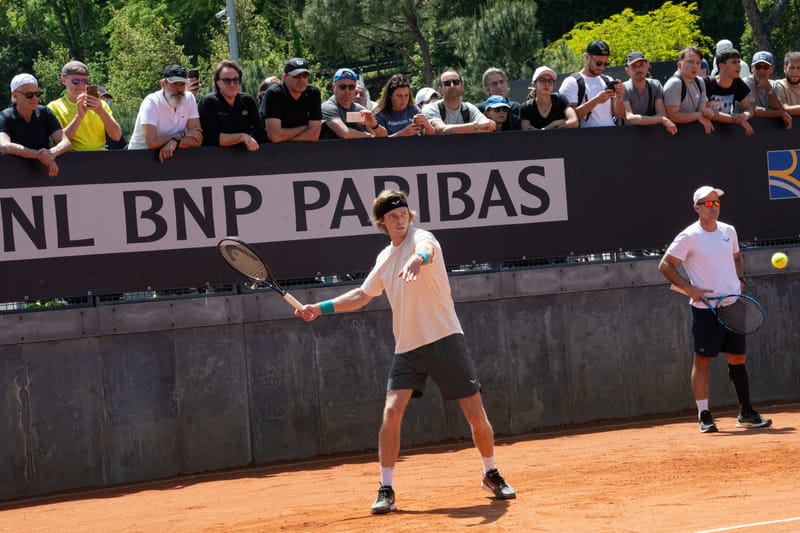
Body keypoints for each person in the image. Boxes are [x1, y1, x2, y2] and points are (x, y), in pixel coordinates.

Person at [295, 190, 516, 514]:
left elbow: (425, 250)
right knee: (391, 413)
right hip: (408, 348)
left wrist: (416, 259)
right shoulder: (384, 258)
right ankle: (386, 488)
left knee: (475, 414)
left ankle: (491, 473)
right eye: (392, 217)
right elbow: (361, 295)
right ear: (382, 223)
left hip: (445, 337)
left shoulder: (421, 238)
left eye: (403, 215)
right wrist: (320, 308)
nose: (400, 220)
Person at [658, 186, 772, 433]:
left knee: (738, 359)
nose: (714, 207)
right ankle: (705, 415)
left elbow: (737, 257)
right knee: (703, 360)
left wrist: (740, 279)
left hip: (733, 303)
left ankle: (746, 412)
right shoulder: (688, 236)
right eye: (707, 204)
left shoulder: (728, 231)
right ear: (696, 208)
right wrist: (688, 288)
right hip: (705, 309)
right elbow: (665, 264)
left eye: (716, 202)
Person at [127, 64, 203, 162]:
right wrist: (181, 135)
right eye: (174, 84)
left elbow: (197, 139)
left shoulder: (189, 99)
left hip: (172, 157)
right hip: (140, 159)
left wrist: (175, 141)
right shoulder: (152, 102)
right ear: (163, 84)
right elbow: (152, 143)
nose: (179, 89)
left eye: (182, 84)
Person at [0, 73, 71, 176]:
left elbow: (66, 143)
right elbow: (4, 146)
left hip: (44, 175)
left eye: (37, 94)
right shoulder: (4, 117)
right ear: (15, 95)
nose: (34, 98)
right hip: (12, 177)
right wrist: (39, 155)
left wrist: (52, 153)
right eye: (29, 95)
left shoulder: (45, 112)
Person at [47, 60, 122, 151]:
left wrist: (101, 111)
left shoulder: (100, 104)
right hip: (72, 159)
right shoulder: (54, 107)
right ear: (63, 80)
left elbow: (117, 136)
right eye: (75, 81)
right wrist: (79, 116)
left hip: (101, 158)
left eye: (85, 81)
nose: (81, 85)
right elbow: (59, 141)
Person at [198, 59, 268, 150]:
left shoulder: (247, 101)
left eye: (236, 80)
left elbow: (261, 134)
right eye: (227, 80)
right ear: (217, 83)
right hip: (215, 159)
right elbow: (210, 138)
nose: (232, 84)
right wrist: (242, 137)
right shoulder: (209, 102)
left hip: (247, 158)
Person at [559, 40, 624, 128]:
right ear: (587, 58)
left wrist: (619, 98)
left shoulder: (608, 80)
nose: (601, 67)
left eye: (605, 64)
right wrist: (595, 101)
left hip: (610, 135)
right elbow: (570, 118)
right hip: (587, 138)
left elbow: (619, 115)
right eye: (598, 63)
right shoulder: (571, 82)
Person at [259, 58, 322, 142]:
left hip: (302, 150)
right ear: (285, 77)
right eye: (296, 76)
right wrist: (305, 128)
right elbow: (275, 137)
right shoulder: (274, 94)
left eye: (305, 75)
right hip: (270, 151)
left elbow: (314, 136)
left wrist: (285, 139)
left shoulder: (313, 93)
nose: (302, 79)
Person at [422, 68, 496, 134]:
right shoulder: (431, 108)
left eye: (456, 82)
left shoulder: (469, 108)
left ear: (462, 86)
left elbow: (490, 126)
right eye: (447, 83)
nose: (452, 86)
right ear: (440, 90)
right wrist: (476, 126)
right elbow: (442, 129)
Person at [320, 68, 388, 140]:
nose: (347, 91)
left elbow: (383, 136)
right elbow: (345, 133)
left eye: (351, 87)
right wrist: (368, 136)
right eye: (342, 87)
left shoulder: (359, 110)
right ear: (334, 87)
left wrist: (374, 125)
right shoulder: (327, 107)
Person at [621, 51, 677, 134]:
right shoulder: (623, 88)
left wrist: (660, 118)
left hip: (652, 134)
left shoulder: (655, 84)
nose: (638, 69)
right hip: (628, 135)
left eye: (641, 65)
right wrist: (661, 120)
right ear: (627, 70)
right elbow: (630, 118)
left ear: (647, 66)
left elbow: (662, 113)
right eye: (634, 66)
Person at [664, 46, 715, 134]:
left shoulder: (700, 81)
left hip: (695, 136)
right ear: (679, 65)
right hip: (675, 136)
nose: (695, 66)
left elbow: (702, 111)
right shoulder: (674, 83)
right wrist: (698, 115)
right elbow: (672, 116)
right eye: (690, 62)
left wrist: (708, 113)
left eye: (698, 63)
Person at [705, 48, 755, 136]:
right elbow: (709, 113)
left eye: (739, 62)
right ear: (721, 66)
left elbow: (749, 108)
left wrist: (744, 116)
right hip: (705, 132)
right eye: (734, 62)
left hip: (726, 133)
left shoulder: (738, 83)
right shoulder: (707, 83)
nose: (739, 66)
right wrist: (736, 119)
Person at [519, 66, 578, 130]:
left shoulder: (561, 100)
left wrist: (551, 125)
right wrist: (559, 123)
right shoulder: (526, 107)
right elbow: (526, 131)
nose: (547, 84)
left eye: (550, 81)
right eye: (542, 80)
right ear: (534, 84)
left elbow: (574, 122)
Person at [745, 51, 792, 129]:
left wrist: (769, 89)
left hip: (768, 130)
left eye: (765, 67)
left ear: (771, 69)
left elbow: (777, 108)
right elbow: (755, 110)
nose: (761, 70)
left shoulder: (774, 85)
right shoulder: (745, 83)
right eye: (758, 66)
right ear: (752, 68)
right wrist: (781, 113)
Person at [777, 51, 800, 117]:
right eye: (792, 68)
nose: (795, 72)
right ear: (785, 69)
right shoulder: (778, 85)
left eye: (799, 68)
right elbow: (785, 109)